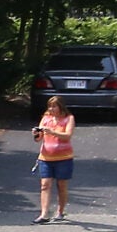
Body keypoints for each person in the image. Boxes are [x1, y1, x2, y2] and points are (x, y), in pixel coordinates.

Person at [32, 94, 75, 224]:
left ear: (60, 107)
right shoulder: (46, 118)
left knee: (61, 185)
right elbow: (39, 139)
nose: (51, 109)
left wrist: (52, 132)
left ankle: (60, 211)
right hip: (45, 157)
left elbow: (67, 135)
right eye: (49, 106)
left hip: (64, 157)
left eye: (54, 106)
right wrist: (36, 134)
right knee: (45, 184)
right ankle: (44, 214)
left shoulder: (69, 118)